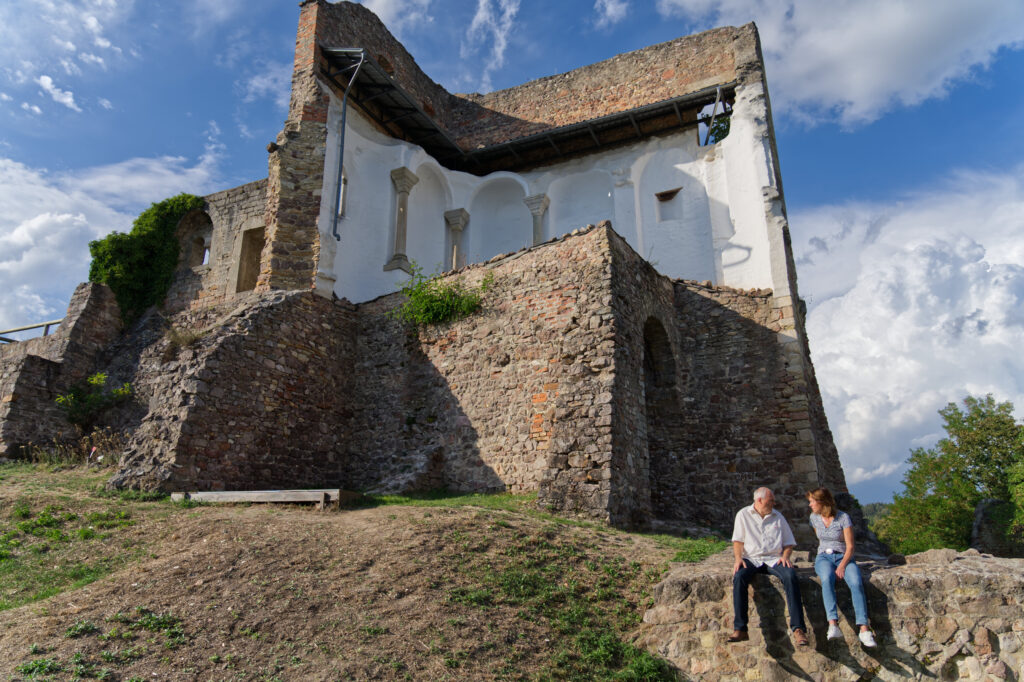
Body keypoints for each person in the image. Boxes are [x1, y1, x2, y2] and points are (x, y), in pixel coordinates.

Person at [728, 486, 808, 645]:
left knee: (790, 575)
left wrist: (785, 557)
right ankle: (740, 629)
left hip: (774, 558)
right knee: (739, 577)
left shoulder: (778, 517)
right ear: (759, 500)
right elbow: (737, 541)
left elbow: (789, 543)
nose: (774, 503)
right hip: (752, 558)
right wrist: (738, 559)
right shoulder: (743, 515)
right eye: (770, 500)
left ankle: (798, 629)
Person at [807, 487, 877, 647]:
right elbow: (821, 539)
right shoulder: (814, 518)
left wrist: (842, 566)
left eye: (812, 501)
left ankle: (864, 629)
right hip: (823, 556)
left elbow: (850, 547)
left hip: (843, 556)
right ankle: (833, 624)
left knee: (856, 582)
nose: (810, 505)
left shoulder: (843, 518)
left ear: (821, 502)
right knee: (827, 578)